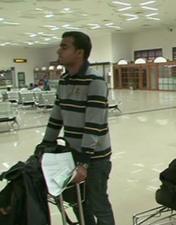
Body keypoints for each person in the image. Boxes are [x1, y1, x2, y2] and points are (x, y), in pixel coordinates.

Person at [41, 31, 115, 225]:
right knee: (76, 202)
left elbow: (94, 124)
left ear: (79, 52)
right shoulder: (64, 80)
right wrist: (45, 144)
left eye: (64, 46)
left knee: (98, 203)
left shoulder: (95, 82)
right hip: (71, 154)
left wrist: (84, 162)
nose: (59, 50)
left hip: (95, 158)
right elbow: (56, 117)